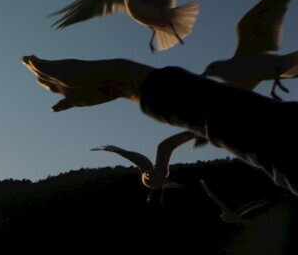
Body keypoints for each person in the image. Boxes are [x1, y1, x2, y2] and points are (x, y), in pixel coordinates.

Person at [22, 56, 298, 196]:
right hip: (179, 102)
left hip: (176, 100)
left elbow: (268, 134)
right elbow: (270, 134)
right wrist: (132, 82)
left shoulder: (277, 139)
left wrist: (131, 82)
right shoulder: (278, 138)